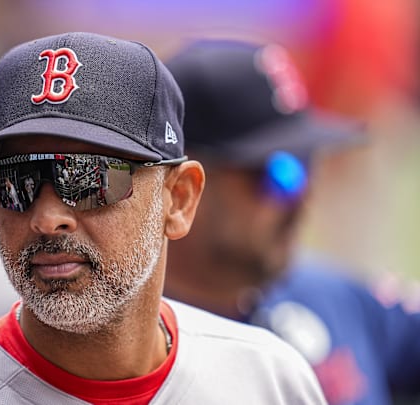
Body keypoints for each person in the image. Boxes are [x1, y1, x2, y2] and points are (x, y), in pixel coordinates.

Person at [0, 32, 326, 404]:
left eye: (88, 178)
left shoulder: (269, 380)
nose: (47, 218)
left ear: (178, 200)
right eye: (15, 180)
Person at [162, 39, 420, 405]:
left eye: (307, 164)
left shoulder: (331, 295)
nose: (301, 197)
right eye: (280, 173)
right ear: (183, 189)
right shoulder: (115, 352)